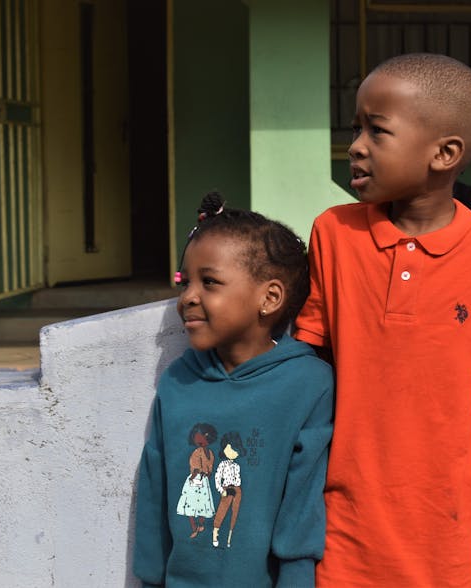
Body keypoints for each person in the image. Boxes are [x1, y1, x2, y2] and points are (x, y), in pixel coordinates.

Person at [294, 53, 471, 587]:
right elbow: (309, 370)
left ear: (444, 153)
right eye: (356, 127)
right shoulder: (333, 234)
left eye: (376, 131)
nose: (355, 145)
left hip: (449, 524)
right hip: (343, 520)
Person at [133, 192, 334, 587]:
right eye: (185, 281)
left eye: (209, 282)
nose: (188, 297)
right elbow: (154, 490)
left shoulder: (307, 384)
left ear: (269, 298)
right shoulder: (177, 382)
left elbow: (302, 504)